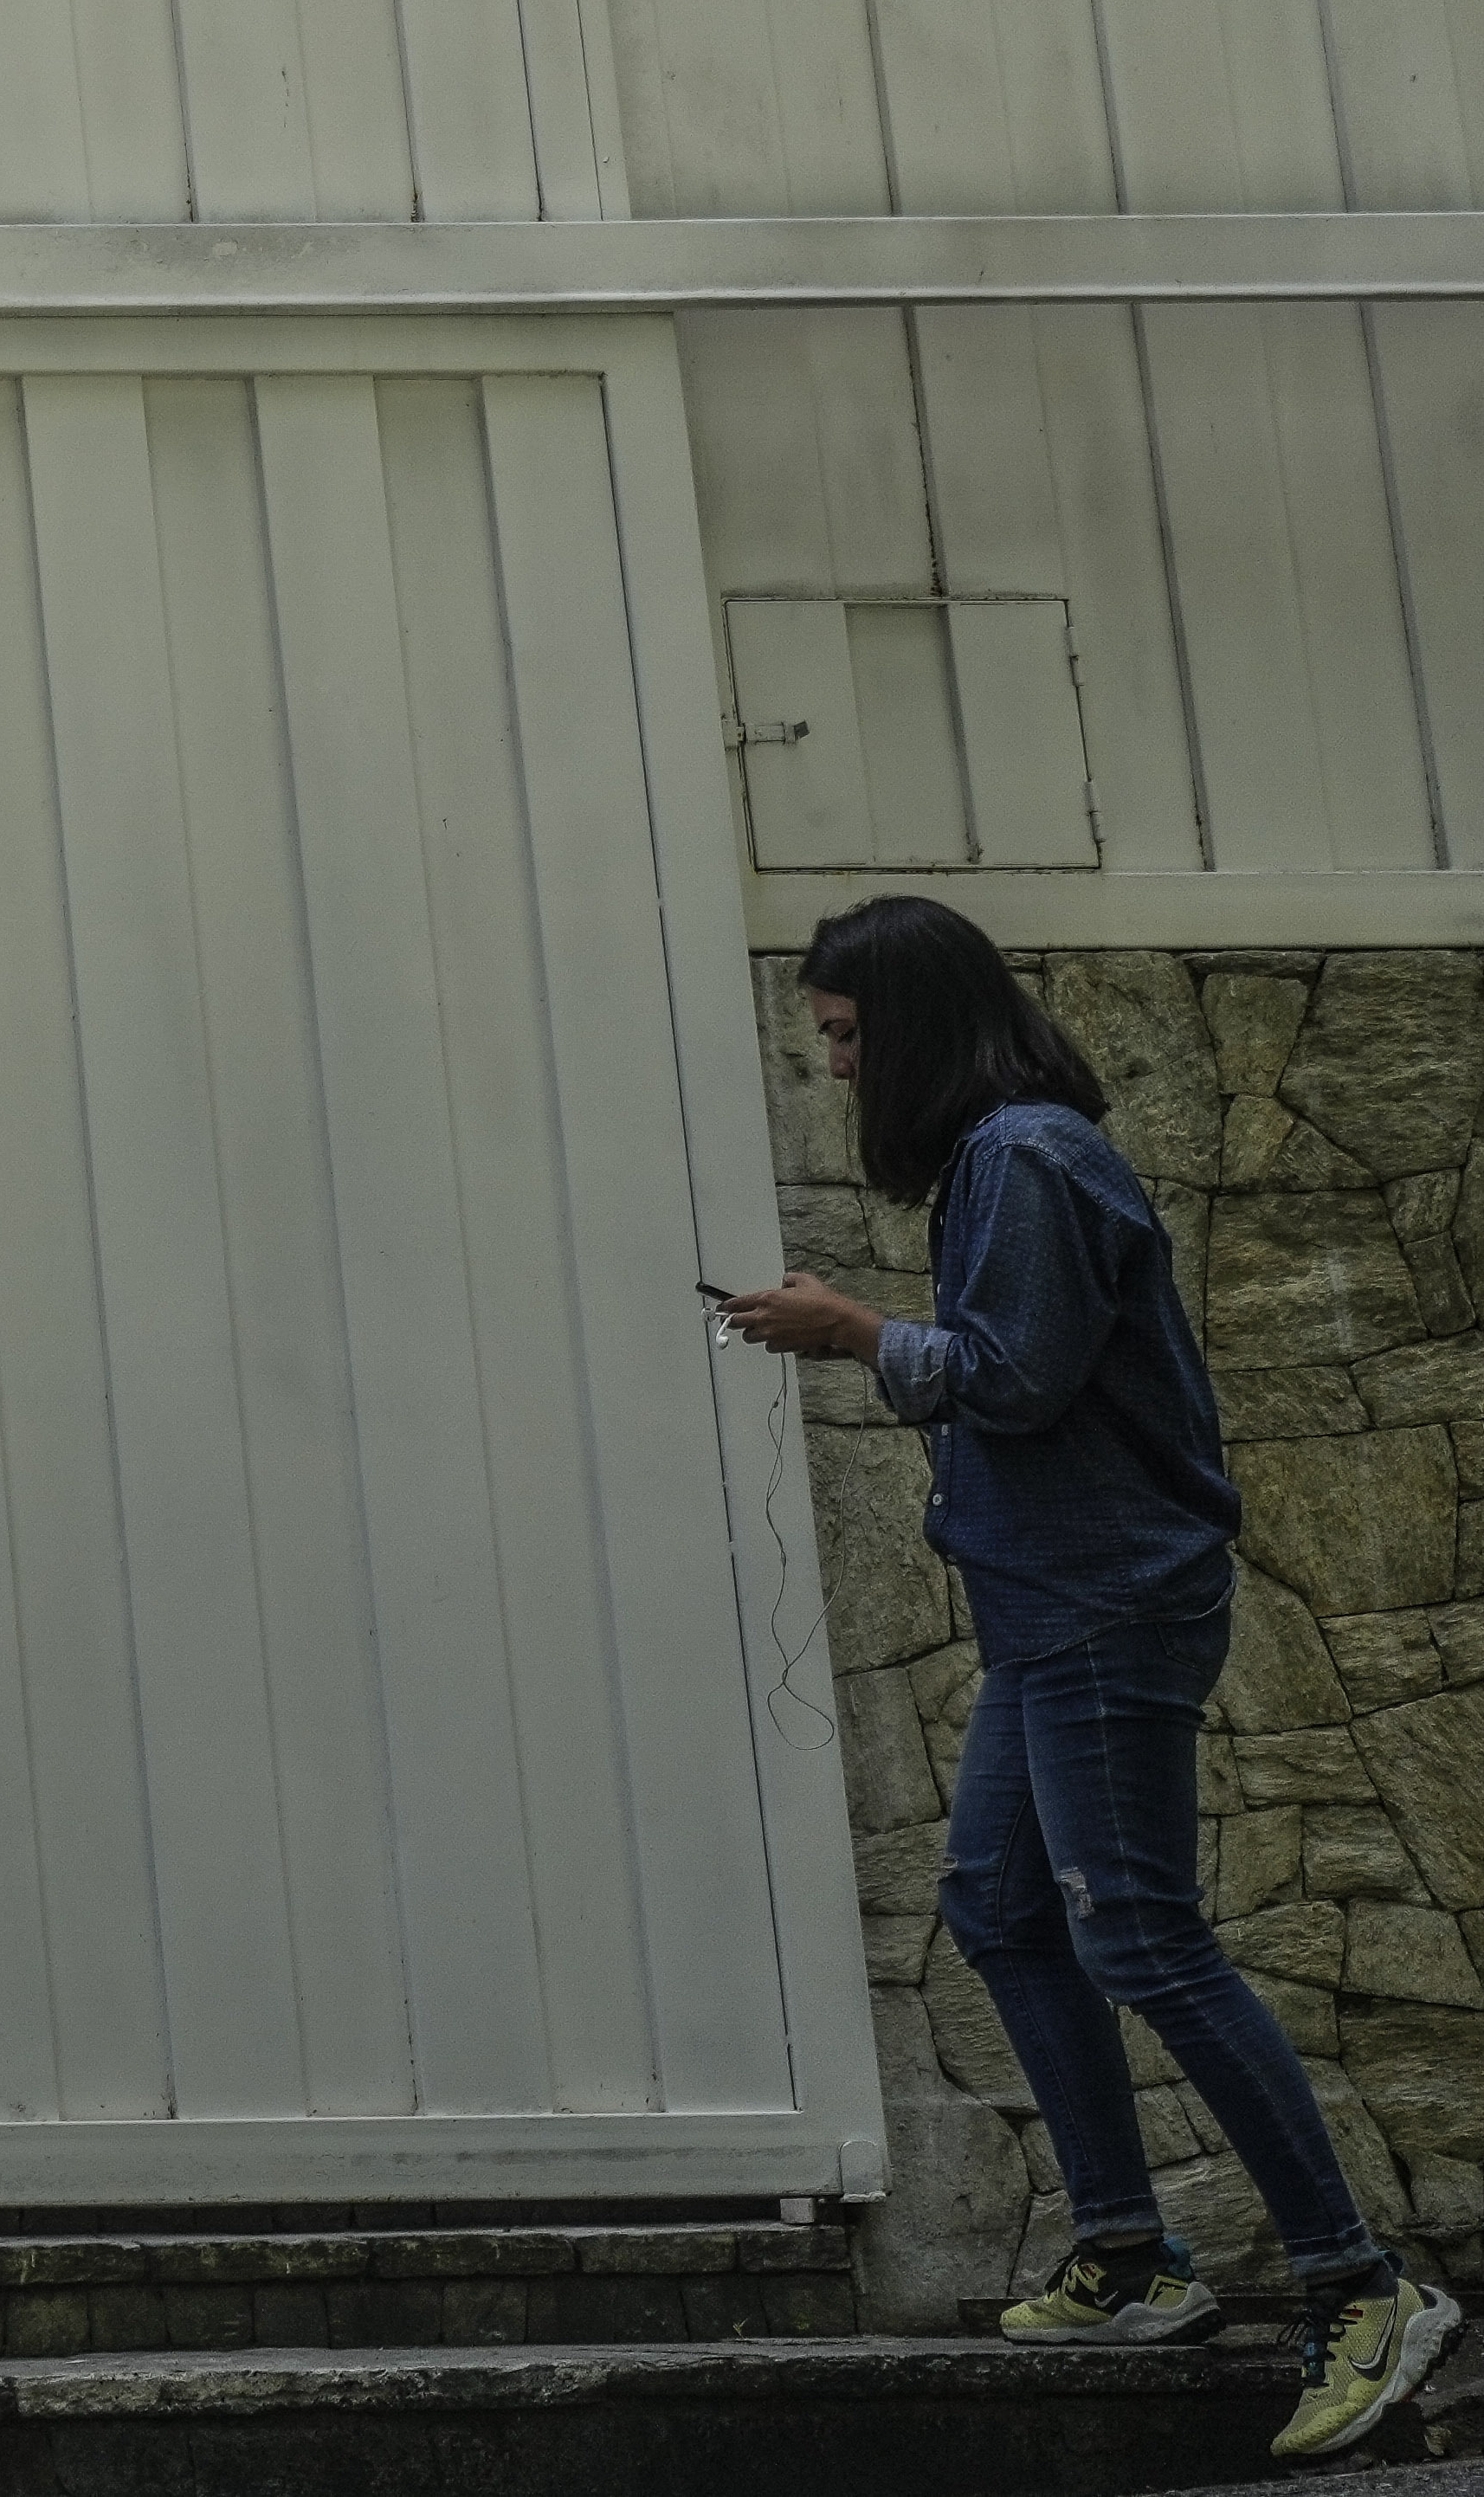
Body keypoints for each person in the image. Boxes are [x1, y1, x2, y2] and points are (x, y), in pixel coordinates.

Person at [721, 894, 1459, 2464]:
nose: (838, 1070)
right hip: (1055, 1601)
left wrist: (853, 1331)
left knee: (1141, 1933)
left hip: (1103, 1603)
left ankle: (1363, 2286)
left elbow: (1018, 1377)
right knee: (998, 1903)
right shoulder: (1017, 1155)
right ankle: (1130, 2253)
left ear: (912, 1026)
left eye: (849, 1038)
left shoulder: (1026, 1158)